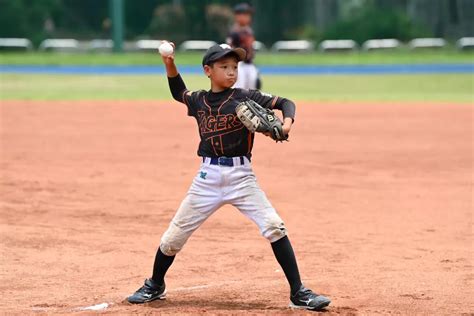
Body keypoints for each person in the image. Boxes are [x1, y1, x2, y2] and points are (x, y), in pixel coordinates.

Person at [126, 43, 331, 311]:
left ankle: (298, 292)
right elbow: (179, 92)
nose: (232, 72)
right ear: (208, 71)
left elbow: (285, 103)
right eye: (224, 67)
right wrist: (169, 64)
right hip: (207, 177)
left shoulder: (245, 96)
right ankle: (155, 284)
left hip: (241, 177)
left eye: (235, 66)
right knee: (173, 237)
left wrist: (286, 123)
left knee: (274, 226)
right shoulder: (199, 100)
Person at [227, 2, 262, 89]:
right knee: (239, 88)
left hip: (249, 64)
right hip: (239, 64)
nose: (248, 17)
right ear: (237, 16)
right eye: (245, 14)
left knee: (254, 88)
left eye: (248, 15)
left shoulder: (248, 31)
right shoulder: (234, 32)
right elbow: (229, 48)